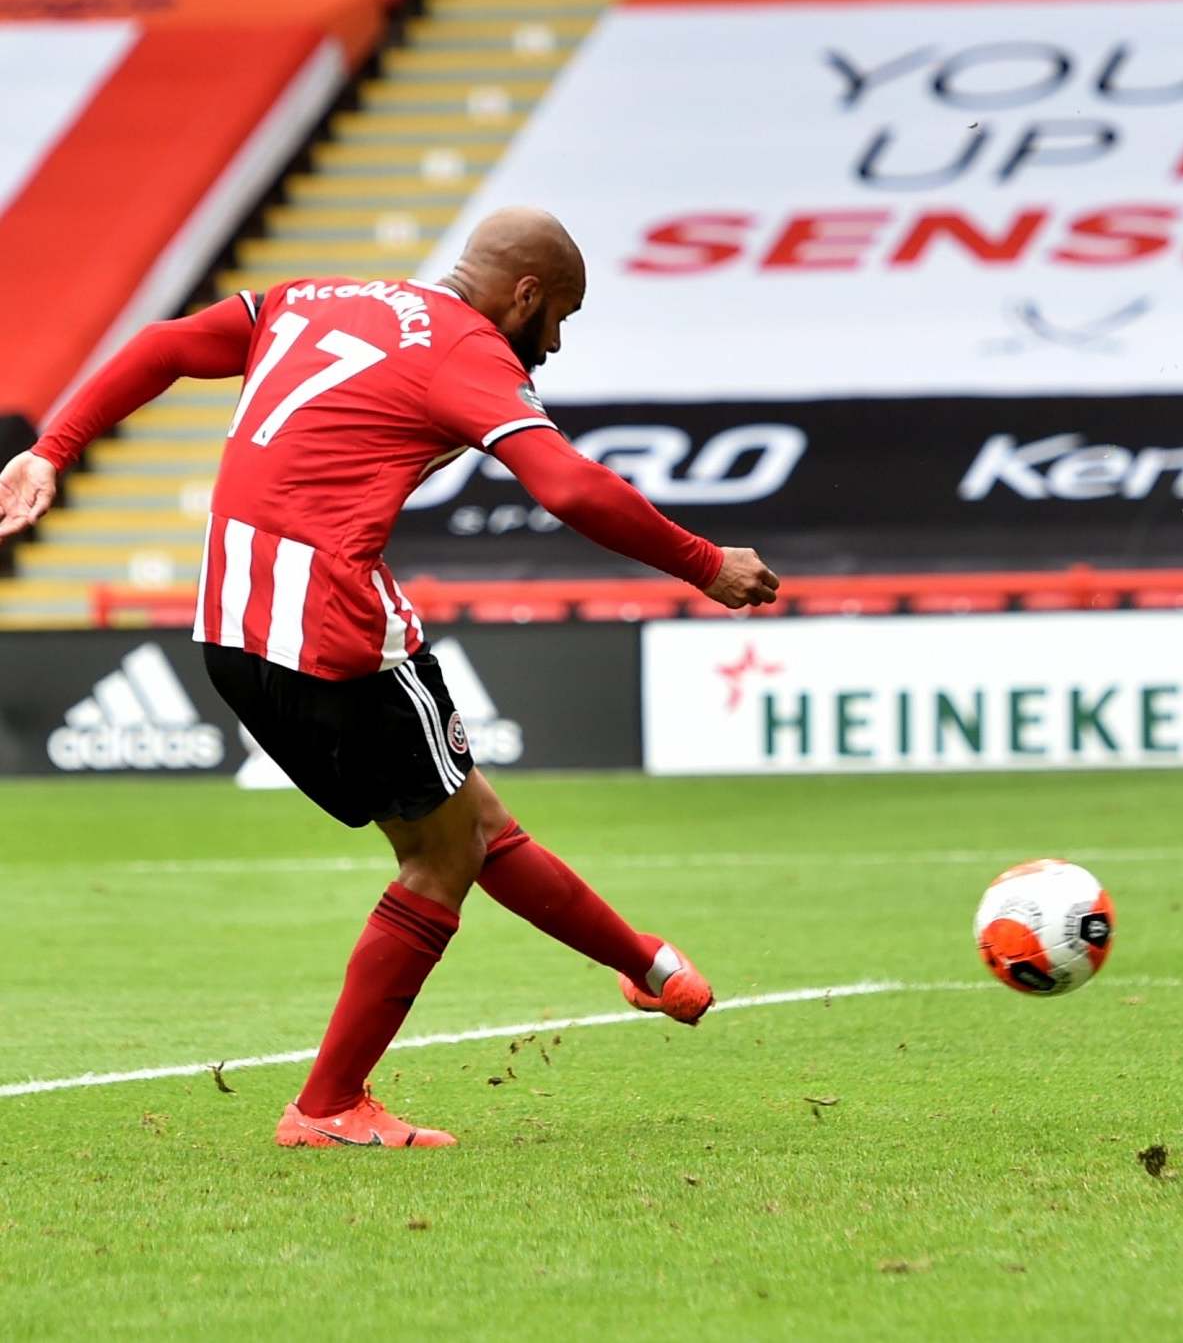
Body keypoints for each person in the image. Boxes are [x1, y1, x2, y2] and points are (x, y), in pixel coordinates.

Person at [0, 208, 780, 1149]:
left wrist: (51, 449)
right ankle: (328, 1104)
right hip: (332, 627)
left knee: (470, 819)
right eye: (560, 316)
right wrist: (704, 563)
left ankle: (650, 968)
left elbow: (166, 344)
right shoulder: (466, 349)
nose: (558, 341)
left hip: (230, 626)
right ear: (523, 294)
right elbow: (569, 486)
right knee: (443, 855)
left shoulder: (312, 298)